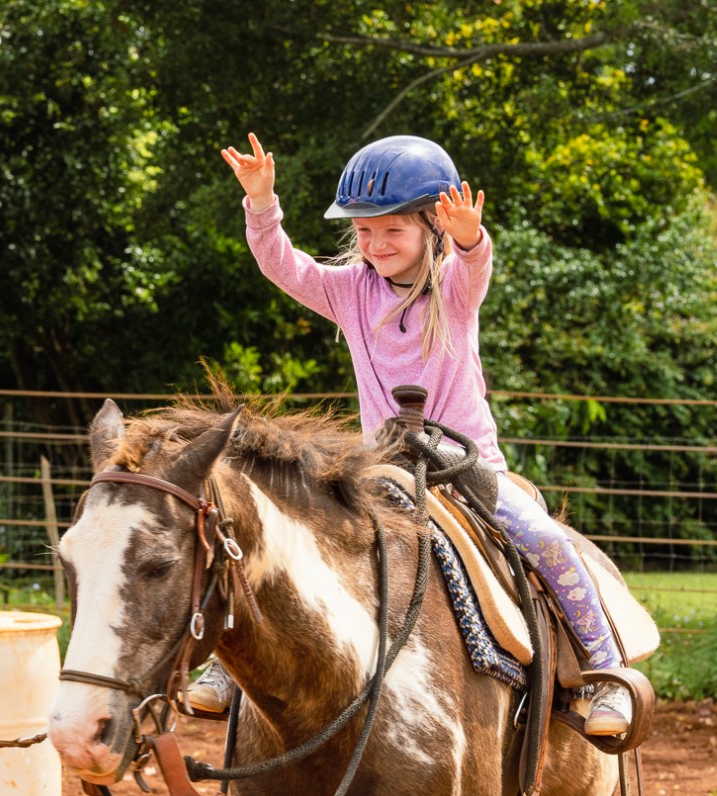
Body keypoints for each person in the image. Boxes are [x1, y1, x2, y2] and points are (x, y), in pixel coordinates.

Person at [192, 133, 634, 736]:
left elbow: (475, 266)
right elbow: (281, 265)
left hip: (461, 468)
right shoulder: (349, 291)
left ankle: (608, 673)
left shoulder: (452, 291)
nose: (375, 244)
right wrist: (262, 203)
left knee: (546, 541)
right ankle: (233, 667)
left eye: (392, 230)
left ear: (431, 227)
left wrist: (470, 237)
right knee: (287, 535)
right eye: (365, 231)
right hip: (378, 467)